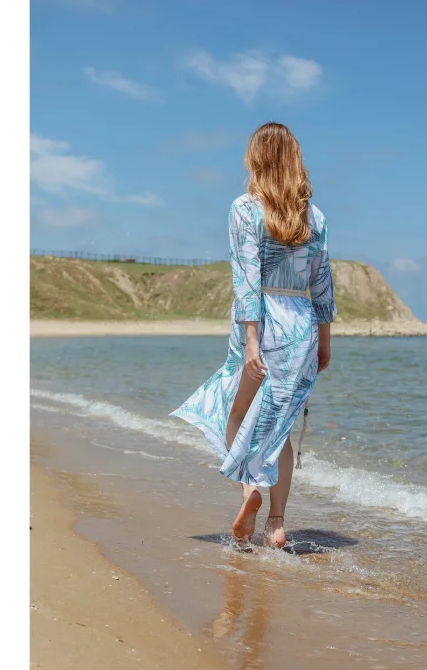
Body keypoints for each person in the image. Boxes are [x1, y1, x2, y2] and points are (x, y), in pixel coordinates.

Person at [171, 122, 336, 548]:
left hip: (261, 319)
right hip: (301, 323)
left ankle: (250, 493)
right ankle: (276, 524)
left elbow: (246, 277)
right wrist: (325, 340)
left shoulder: (245, 209)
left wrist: (250, 340)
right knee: (280, 426)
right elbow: (322, 283)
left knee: (235, 411)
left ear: (255, 158)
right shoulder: (315, 216)